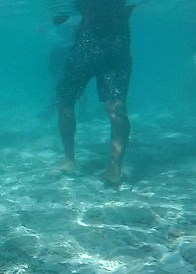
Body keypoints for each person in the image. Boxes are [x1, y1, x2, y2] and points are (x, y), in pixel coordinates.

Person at [53, 0, 135, 184]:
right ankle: (109, 166)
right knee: (114, 106)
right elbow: (58, 17)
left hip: (97, 46)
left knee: (68, 101)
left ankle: (74, 160)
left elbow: (58, 17)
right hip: (108, 46)